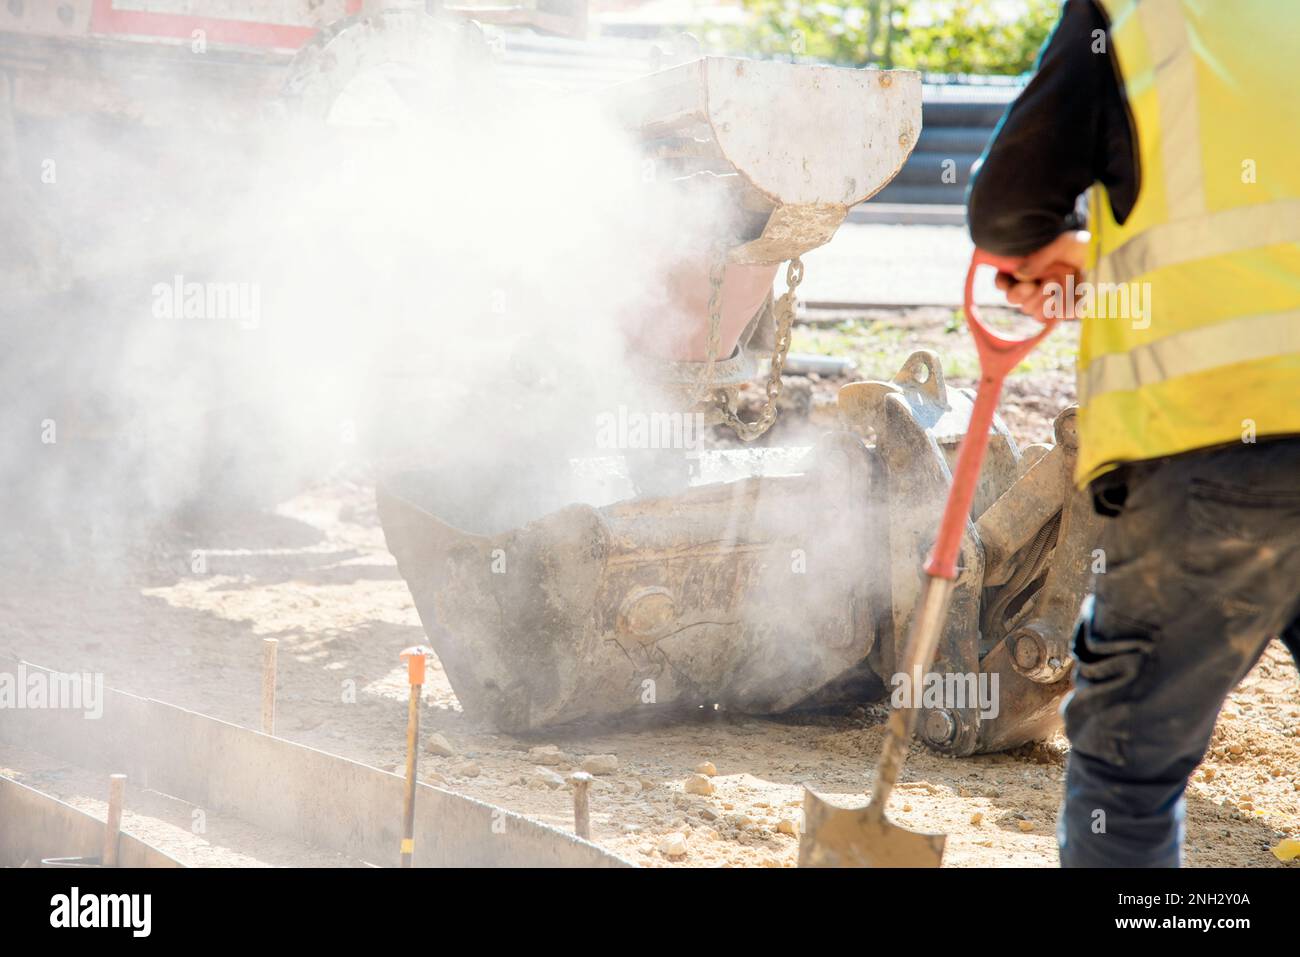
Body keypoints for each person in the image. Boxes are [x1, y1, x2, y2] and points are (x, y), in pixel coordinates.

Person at [967, 0, 1300, 867]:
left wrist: (1057, 253)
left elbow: (1008, 211)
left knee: (1130, 770)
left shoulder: (1137, 16)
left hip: (1214, 437)